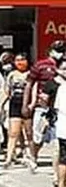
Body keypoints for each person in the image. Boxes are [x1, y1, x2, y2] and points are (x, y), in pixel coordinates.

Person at [23, 40, 65, 176]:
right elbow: (29, 84)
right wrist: (27, 104)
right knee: (38, 137)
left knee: (57, 142)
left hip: (60, 108)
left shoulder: (64, 65)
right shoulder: (40, 65)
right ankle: (33, 155)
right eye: (57, 49)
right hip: (43, 107)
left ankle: (57, 171)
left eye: (62, 49)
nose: (60, 52)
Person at [3, 53, 31, 169]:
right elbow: (7, 90)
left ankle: (29, 155)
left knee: (28, 133)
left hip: (27, 105)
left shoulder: (30, 74)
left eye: (22, 60)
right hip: (14, 104)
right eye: (17, 60)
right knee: (13, 132)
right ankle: (9, 158)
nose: (20, 62)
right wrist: (1, 104)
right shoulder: (12, 75)